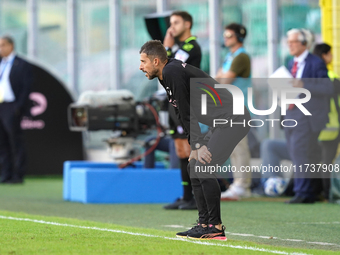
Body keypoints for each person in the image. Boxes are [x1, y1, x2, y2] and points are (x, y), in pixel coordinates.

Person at [139, 40, 250, 239]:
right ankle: (204, 223)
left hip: (234, 119)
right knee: (194, 166)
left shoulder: (171, 72)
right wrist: (195, 145)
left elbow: (187, 112)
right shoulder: (167, 73)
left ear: (156, 61)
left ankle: (215, 227)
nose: (140, 67)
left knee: (203, 166)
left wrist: (197, 144)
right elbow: (183, 112)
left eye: (143, 61)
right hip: (222, 121)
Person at [284, 29, 333, 204]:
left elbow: (328, 88)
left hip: (306, 114)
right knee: (301, 153)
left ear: (304, 43)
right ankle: (311, 191)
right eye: (288, 42)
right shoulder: (290, 63)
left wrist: (304, 84)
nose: (290, 45)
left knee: (300, 153)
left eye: (293, 41)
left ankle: (303, 192)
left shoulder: (315, 62)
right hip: (291, 112)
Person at [162, 11, 202, 210]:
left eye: (176, 23)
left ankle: (196, 197)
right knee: (180, 150)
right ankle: (186, 196)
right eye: (171, 23)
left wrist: (166, 46)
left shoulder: (191, 47)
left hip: (186, 102)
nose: (172, 27)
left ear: (188, 24)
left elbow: (169, 66)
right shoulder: (179, 47)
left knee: (189, 149)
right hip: (173, 101)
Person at [215, 23, 252, 200]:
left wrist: (221, 76)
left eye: (229, 35)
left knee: (240, 147)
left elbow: (223, 81)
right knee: (233, 147)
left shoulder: (241, 56)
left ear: (239, 37)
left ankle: (242, 185)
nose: (226, 38)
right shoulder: (230, 56)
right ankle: (238, 184)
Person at [0, 35, 32, 184]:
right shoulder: (0, 63)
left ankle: (18, 175)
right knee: (2, 143)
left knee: (15, 141)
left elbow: (26, 87)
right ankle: (5, 174)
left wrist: (18, 107)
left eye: (2, 45)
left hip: (12, 106)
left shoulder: (22, 64)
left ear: (11, 46)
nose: (0, 49)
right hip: (0, 105)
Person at [314, 43, 340, 200]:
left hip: (314, 126)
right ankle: (328, 192)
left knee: (316, 160)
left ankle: (318, 192)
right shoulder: (331, 79)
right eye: (330, 54)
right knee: (326, 161)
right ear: (324, 55)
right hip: (331, 126)